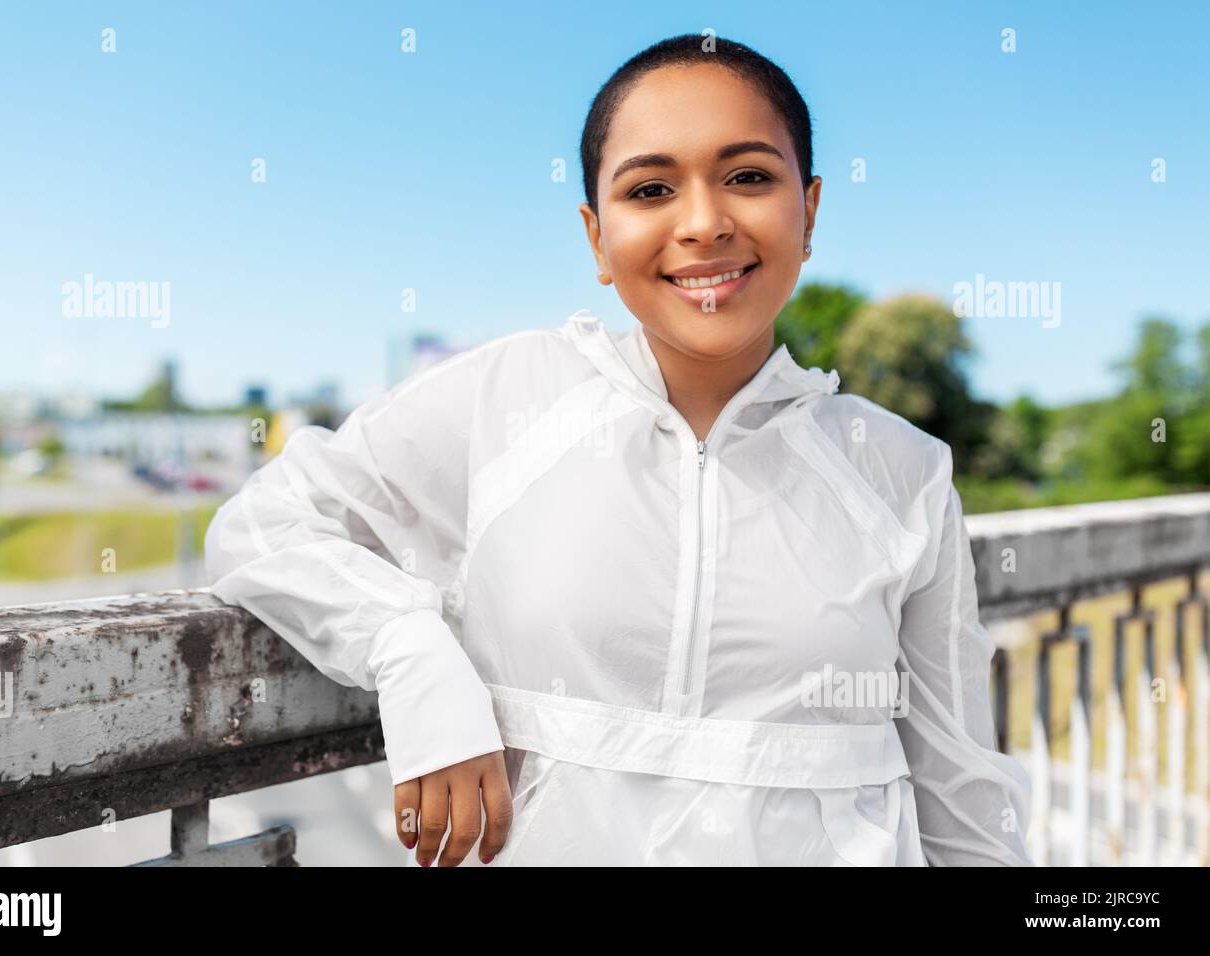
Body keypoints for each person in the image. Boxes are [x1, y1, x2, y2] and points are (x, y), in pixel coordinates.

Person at [204, 33, 1033, 867]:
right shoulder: (505, 398)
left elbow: (963, 797)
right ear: (598, 238)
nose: (705, 223)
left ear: (809, 211)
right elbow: (265, 524)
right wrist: (411, 652)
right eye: (651, 188)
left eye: (748, 177)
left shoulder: (903, 470)